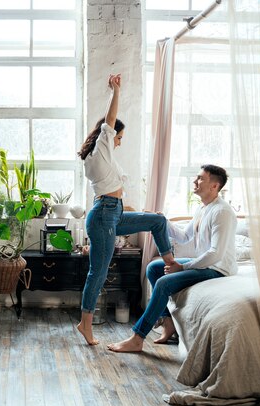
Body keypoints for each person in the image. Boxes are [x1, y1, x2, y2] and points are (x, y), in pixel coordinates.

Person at [77, 74, 176, 345]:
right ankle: (85, 324)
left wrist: (130, 209)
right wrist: (116, 92)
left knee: (157, 220)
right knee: (97, 271)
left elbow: (115, 192)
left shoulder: (102, 158)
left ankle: (171, 264)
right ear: (108, 137)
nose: (119, 141)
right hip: (104, 216)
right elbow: (109, 123)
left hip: (113, 212)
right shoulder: (101, 149)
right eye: (119, 137)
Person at [107, 164, 237, 352]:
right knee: (154, 268)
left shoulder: (222, 212)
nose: (195, 181)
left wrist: (183, 268)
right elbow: (184, 236)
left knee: (164, 283)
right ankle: (168, 324)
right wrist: (163, 221)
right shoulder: (203, 208)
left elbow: (215, 254)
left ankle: (137, 337)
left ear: (214, 186)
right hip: (205, 263)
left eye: (200, 178)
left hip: (217, 269)